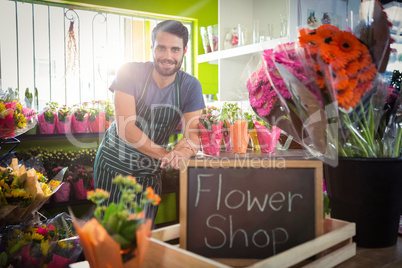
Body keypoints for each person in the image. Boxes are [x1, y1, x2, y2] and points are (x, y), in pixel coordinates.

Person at [94, 20, 205, 221]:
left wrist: (181, 153)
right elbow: (126, 129)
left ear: (184, 50)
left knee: (142, 236)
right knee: (111, 235)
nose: (168, 56)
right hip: (114, 165)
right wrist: (166, 154)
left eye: (175, 49)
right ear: (152, 47)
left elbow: (193, 136)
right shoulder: (129, 72)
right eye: (161, 48)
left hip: (150, 168)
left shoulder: (191, 87)